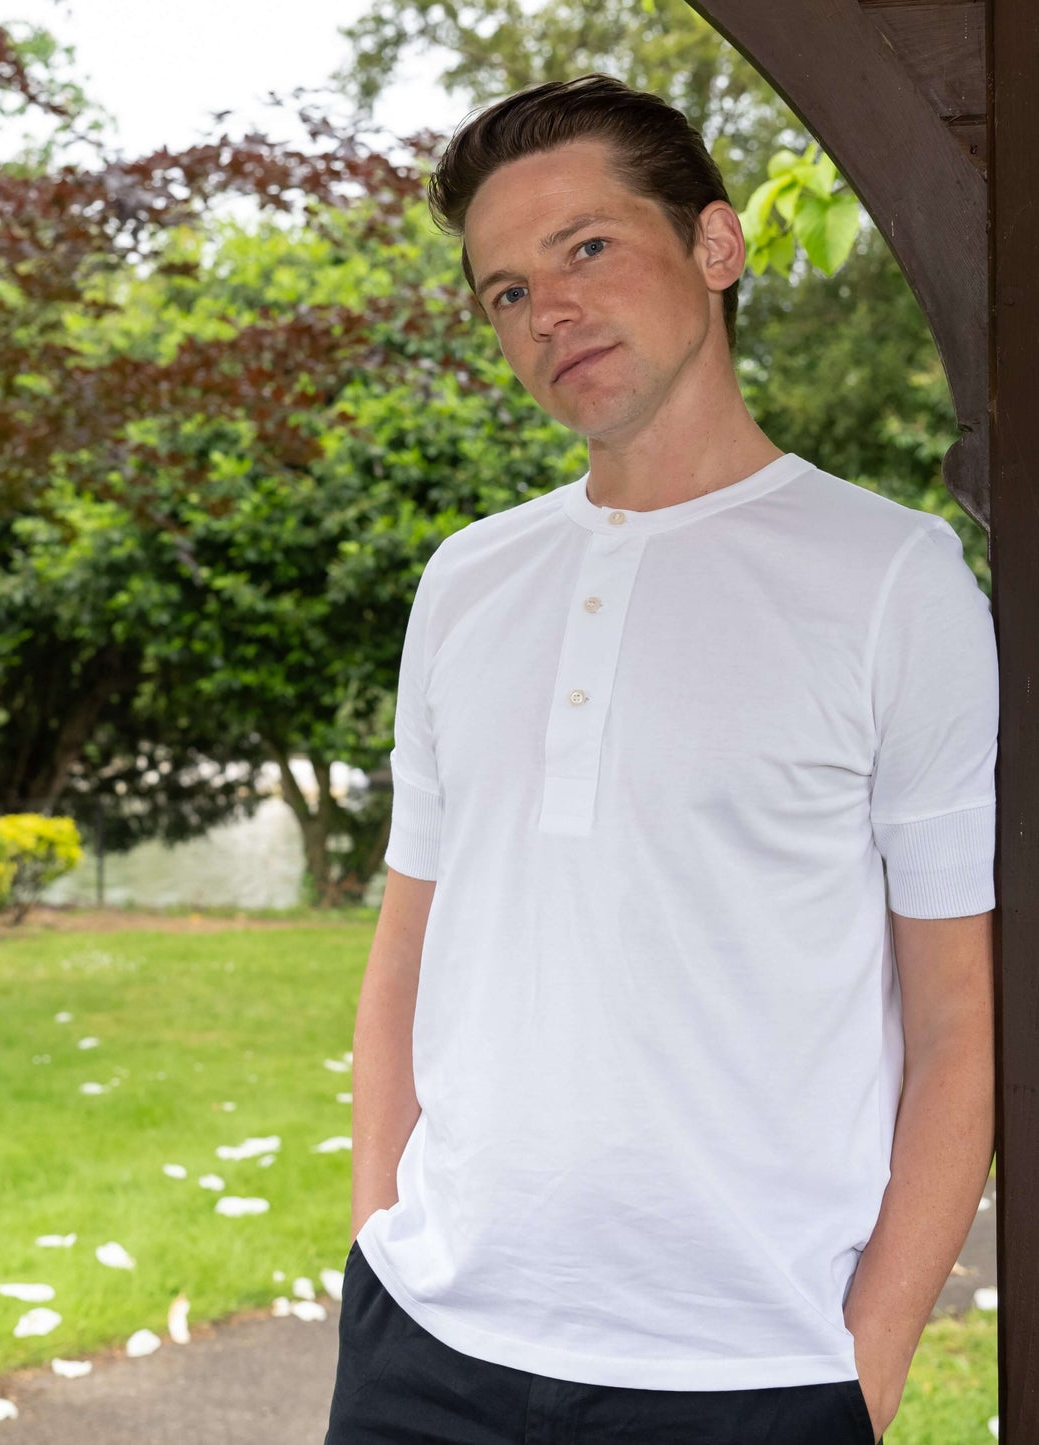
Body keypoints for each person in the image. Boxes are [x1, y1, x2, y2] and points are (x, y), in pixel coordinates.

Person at [324, 73, 997, 1445]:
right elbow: (404, 953)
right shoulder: (464, 581)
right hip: (423, 1350)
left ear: (714, 244)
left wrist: (860, 1362)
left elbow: (954, 1023)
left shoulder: (892, 577)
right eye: (503, 290)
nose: (545, 310)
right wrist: (376, 1241)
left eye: (584, 248)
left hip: (745, 1377)